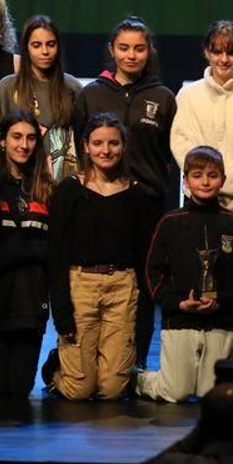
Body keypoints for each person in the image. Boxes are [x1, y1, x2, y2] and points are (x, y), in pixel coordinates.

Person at [72, 16, 177, 364]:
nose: (131, 55)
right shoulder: (91, 95)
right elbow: (79, 148)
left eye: (139, 48)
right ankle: (93, 358)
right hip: (98, 205)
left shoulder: (163, 98)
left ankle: (136, 362)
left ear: (149, 52)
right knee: (99, 283)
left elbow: (169, 157)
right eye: (124, 48)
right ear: (112, 51)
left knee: (142, 287)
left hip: (146, 207)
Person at [48, 114, 160, 400]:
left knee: (111, 391)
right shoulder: (70, 190)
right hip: (80, 285)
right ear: (85, 146)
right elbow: (56, 250)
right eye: (98, 143)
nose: (105, 150)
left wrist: (145, 306)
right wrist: (60, 309)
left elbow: (144, 254)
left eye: (113, 143)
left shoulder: (136, 195)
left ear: (123, 146)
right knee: (79, 391)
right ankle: (55, 367)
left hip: (122, 286)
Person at [139, 147, 233, 402]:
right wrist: (177, 302)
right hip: (180, 321)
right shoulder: (170, 222)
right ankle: (137, 378)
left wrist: (224, 301)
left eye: (212, 175)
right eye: (197, 175)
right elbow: (152, 271)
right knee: (175, 392)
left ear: (223, 180)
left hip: (221, 322)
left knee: (211, 393)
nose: (205, 182)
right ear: (185, 181)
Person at [0, 111, 54, 398]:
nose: (24, 145)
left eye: (31, 138)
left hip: (30, 306)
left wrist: (16, 252)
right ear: (1, 142)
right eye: (16, 137)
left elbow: (54, 248)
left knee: (18, 390)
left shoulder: (47, 190)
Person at [169, 20, 233, 211]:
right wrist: (205, 180)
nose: (224, 59)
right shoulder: (188, 95)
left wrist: (227, 183)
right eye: (217, 52)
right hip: (197, 201)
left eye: (231, 52)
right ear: (207, 52)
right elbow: (180, 142)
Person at [0, 14, 81, 180]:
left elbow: (82, 141)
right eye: (37, 45)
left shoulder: (73, 87)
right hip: (18, 183)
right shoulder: (7, 88)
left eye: (51, 44)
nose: (45, 51)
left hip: (64, 182)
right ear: (26, 48)